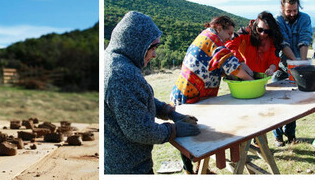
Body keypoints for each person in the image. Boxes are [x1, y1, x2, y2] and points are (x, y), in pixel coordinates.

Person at [104, 11, 200, 174]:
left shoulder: (115, 61)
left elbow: (135, 98)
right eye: (152, 47)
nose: (155, 54)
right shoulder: (122, 75)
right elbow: (140, 130)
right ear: (135, 44)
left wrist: (166, 111)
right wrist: (173, 130)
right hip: (129, 169)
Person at [169, 15, 253, 174]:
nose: (230, 37)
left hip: (185, 93)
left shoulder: (205, 35)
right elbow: (233, 67)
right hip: (191, 97)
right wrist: (252, 81)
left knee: (189, 137)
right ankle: (194, 171)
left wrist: (244, 68)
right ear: (219, 27)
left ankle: (198, 169)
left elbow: (225, 62)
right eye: (229, 33)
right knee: (190, 138)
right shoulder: (214, 40)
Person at [272, 0, 313, 146]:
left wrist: (301, 65)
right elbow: (283, 43)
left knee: (294, 103)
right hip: (281, 67)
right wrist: (295, 62)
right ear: (282, 8)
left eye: (295, 10)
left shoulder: (305, 19)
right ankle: (277, 136)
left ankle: (291, 135)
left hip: (297, 65)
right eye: (289, 11)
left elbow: (304, 39)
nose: (292, 13)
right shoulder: (277, 20)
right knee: (276, 102)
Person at [226, 11, 281, 77]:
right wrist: (241, 62)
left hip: (262, 76)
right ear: (256, 25)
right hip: (245, 74)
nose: (262, 33)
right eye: (260, 29)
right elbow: (230, 46)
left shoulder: (273, 38)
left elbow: (274, 58)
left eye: (267, 31)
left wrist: (271, 69)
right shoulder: (245, 33)